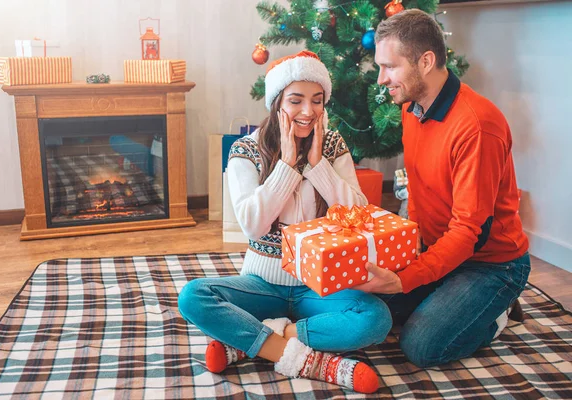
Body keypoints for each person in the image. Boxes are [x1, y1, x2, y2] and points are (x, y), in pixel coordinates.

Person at [178, 51, 391, 394]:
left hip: (318, 285)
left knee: (376, 319)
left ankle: (256, 338)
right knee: (193, 297)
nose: (308, 112)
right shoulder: (245, 150)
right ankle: (313, 362)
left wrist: (319, 165)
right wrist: (288, 166)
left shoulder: (333, 144)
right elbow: (253, 225)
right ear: (277, 103)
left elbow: (360, 215)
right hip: (262, 282)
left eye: (317, 101)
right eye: (296, 100)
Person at [352, 9, 530, 368]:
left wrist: (406, 280)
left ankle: (496, 313)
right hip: (441, 250)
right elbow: (417, 187)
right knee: (363, 303)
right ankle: (454, 300)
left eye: (390, 66)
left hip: (491, 264)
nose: (381, 79)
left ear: (426, 61)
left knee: (421, 346)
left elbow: (469, 234)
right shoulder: (411, 108)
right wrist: (410, 249)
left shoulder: (477, 126)